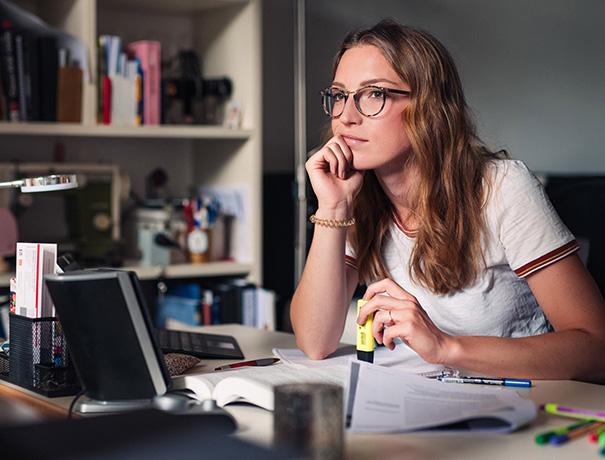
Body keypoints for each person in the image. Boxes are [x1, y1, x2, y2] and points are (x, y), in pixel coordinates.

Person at [290, 20, 605, 381]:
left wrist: (444, 347)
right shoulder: (354, 197)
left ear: (428, 106)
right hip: (417, 401)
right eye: (339, 95)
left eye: (374, 94)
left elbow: (596, 348)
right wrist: (333, 208)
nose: (346, 116)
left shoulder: (501, 187)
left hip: (520, 405)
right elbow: (315, 342)